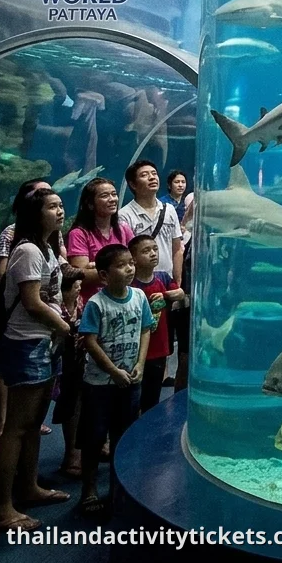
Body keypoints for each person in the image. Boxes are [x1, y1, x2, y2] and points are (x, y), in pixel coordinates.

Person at [0, 189, 72, 532]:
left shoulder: (48, 249)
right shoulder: (27, 250)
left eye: (61, 205)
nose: (60, 211)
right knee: (15, 429)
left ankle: (29, 486)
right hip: (26, 344)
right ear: (34, 214)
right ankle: (2, 508)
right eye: (52, 206)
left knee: (34, 423)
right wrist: (63, 325)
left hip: (43, 343)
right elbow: (33, 301)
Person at [77, 243, 153, 518]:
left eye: (131, 263)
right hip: (99, 383)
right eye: (122, 265)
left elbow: (146, 329)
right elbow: (90, 341)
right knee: (94, 437)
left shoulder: (140, 297)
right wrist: (112, 371)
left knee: (124, 435)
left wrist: (140, 365)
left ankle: (119, 488)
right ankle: (89, 489)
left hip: (131, 380)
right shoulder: (96, 303)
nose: (130, 269)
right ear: (104, 275)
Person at [0, 179, 59, 442]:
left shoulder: (49, 241)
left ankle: (28, 480)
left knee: (31, 420)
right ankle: (2, 421)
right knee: (18, 422)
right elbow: (5, 274)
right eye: (43, 195)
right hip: (24, 333)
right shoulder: (17, 237)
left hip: (44, 334)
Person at [118, 160, 187, 388]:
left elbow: (177, 247)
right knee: (140, 338)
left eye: (154, 173)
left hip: (165, 283)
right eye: (145, 175)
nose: (152, 177)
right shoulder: (125, 215)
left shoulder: (168, 211)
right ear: (132, 184)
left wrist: (176, 282)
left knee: (163, 339)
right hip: (139, 286)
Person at [129, 234, 184, 412]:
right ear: (134, 259)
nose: (153, 253)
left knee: (152, 398)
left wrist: (166, 295)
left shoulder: (163, 278)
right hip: (134, 351)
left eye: (155, 249)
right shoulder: (130, 284)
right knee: (131, 399)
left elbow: (180, 293)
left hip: (159, 349)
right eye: (146, 251)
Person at [66, 178, 134, 305]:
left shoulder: (123, 228)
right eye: (104, 195)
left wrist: (97, 267)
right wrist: (119, 271)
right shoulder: (79, 234)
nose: (112, 199)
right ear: (90, 204)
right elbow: (81, 275)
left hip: (122, 300)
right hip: (93, 302)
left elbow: (136, 260)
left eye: (114, 194)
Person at [51, 267, 86, 478]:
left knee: (80, 405)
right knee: (69, 407)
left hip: (79, 364)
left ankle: (78, 451)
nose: (79, 289)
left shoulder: (80, 304)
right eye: (76, 286)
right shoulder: (56, 310)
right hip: (61, 367)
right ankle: (71, 454)